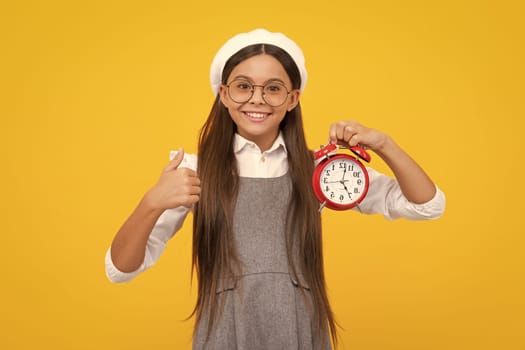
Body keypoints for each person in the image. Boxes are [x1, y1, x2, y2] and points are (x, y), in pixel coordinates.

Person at [105, 28, 445, 349]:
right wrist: (151, 203)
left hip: (299, 329)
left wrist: (384, 144)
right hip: (226, 331)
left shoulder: (320, 171)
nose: (257, 99)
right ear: (223, 94)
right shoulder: (194, 172)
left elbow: (427, 205)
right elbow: (120, 269)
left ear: (292, 98)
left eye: (273, 88)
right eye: (243, 86)